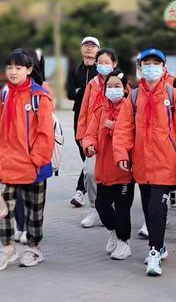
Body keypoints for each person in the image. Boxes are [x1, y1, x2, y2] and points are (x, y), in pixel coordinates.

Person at [113, 48, 176, 276]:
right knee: (148, 208)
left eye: (156, 62)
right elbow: (123, 128)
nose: (151, 67)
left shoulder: (173, 94)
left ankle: (154, 252)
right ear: (140, 68)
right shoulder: (134, 97)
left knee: (157, 208)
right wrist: (122, 154)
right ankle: (160, 244)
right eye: (147, 63)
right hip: (142, 164)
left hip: (167, 163)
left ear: (164, 67)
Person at [0, 49, 54, 270]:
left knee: (34, 212)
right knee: (1, 209)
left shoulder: (40, 97)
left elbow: (46, 133)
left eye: (18, 67)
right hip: (6, 165)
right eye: (9, 67)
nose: (13, 72)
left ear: (28, 69)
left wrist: (36, 159)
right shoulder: (4, 95)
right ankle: (7, 248)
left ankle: (34, 249)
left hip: (32, 167)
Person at [82, 69, 134, 260]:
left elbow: (135, 135)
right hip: (103, 170)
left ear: (125, 89)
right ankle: (113, 232)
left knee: (122, 209)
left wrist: (117, 127)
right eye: (109, 86)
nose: (113, 90)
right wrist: (90, 146)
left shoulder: (131, 110)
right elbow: (89, 134)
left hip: (123, 171)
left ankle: (124, 242)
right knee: (102, 206)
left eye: (117, 86)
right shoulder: (100, 111)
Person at [76, 48, 119, 227]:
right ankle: (94, 207)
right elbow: (84, 112)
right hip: (94, 137)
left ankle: (112, 208)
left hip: (115, 140)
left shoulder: (121, 83)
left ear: (114, 64)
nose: (102, 66)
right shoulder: (92, 84)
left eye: (106, 62)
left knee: (115, 175)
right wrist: (83, 138)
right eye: (99, 62)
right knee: (90, 173)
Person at [66, 37, 100, 208]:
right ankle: (91, 183)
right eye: (86, 45)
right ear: (81, 49)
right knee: (83, 151)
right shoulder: (75, 69)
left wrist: (82, 91)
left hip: (97, 116)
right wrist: (85, 93)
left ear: (98, 49)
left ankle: (80, 191)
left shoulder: (101, 69)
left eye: (93, 46)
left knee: (90, 154)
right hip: (79, 114)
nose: (89, 48)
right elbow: (70, 93)